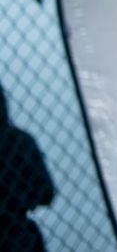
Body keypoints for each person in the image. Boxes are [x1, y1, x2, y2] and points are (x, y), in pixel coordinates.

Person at [0, 83, 56, 252]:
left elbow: (46, 192)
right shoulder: (20, 141)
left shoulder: (19, 141)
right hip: (19, 232)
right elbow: (46, 192)